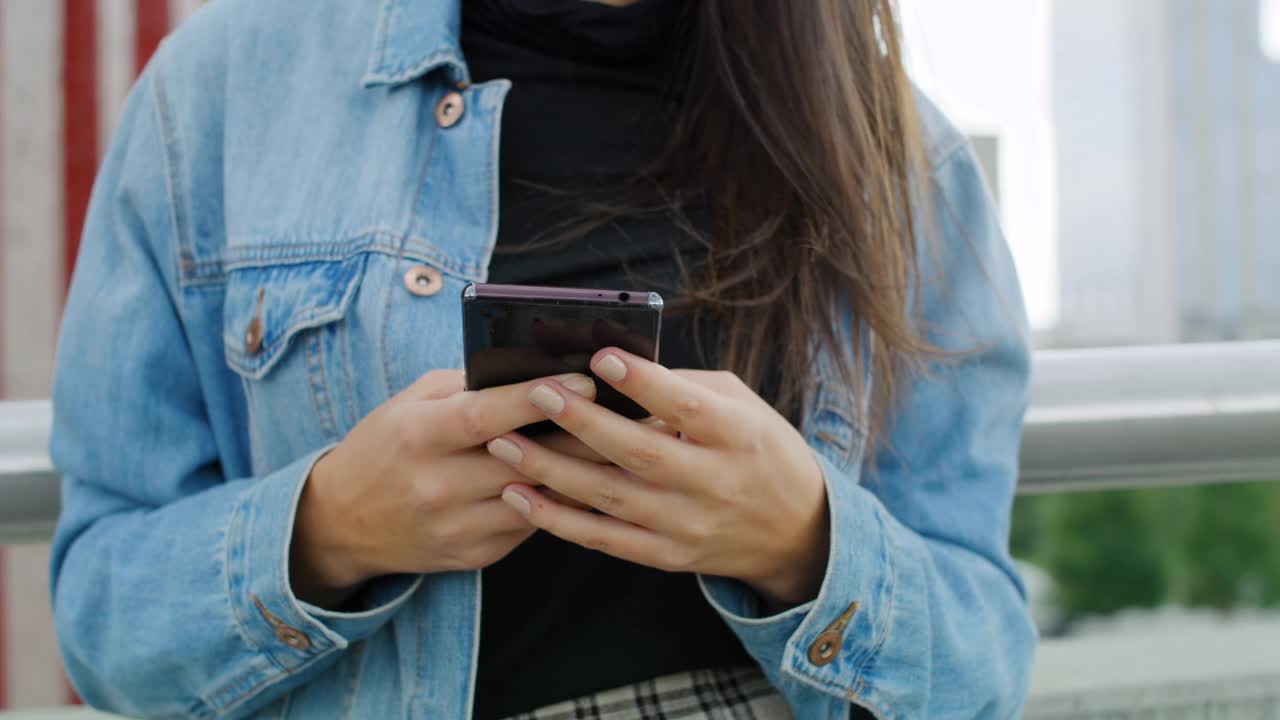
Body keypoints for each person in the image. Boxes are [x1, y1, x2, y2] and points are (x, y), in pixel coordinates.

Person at [47, 0, 1036, 717]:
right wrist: (329, 530)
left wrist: (801, 541)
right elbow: (101, 622)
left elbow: (980, 663)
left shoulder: (893, 156)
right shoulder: (223, 91)